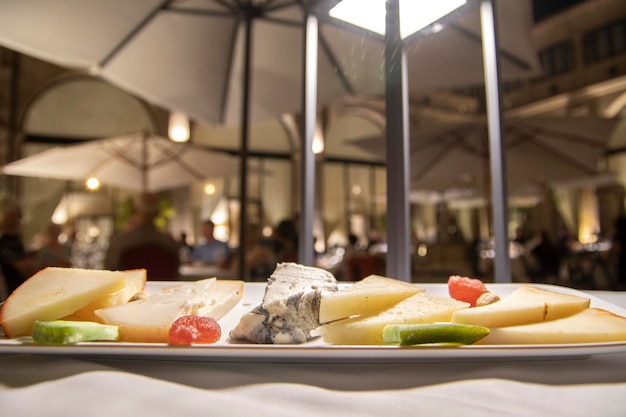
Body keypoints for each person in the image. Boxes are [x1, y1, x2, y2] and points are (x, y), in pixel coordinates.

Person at [104, 193, 180, 273]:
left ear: (134, 210)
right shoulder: (170, 243)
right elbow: (175, 273)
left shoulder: (119, 242)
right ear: (157, 213)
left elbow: (109, 271)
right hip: (163, 285)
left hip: (129, 284)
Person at [0, 194, 38, 296]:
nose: (20, 218)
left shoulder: (13, 239)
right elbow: (27, 270)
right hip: (12, 294)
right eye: (16, 214)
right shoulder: (6, 242)